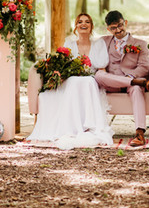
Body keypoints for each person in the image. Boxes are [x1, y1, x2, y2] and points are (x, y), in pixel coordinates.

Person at [27, 13, 114, 150]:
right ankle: (72, 126)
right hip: (71, 78)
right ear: (76, 27)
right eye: (80, 22)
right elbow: (64, 66)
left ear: (91, 27)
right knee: (74, 80)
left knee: (88, 82)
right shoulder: (69, 43)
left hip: (91, 79)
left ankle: (89, 124)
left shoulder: (99, 44)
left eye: (87, 22)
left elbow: (102, 68)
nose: (83, 24)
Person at [95, 10, 149, 147]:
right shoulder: (103, 42)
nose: (118, 30)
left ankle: (140, 133)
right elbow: (96, 61)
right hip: (111, 83)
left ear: (126, 22)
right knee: (98, 75)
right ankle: (137, 82)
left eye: (120, 25)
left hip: (131, 82)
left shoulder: (140, 44)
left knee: (136, 89)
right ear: (108, 29)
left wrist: (130, 78)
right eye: (113, 28)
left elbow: (143, 67)